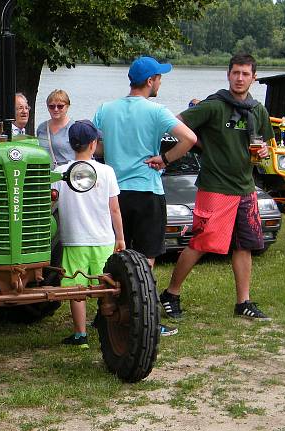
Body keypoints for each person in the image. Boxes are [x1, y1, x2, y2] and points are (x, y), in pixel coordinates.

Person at [159, 53, 275, 321]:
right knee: (201, 242)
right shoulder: (214, 106)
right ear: (228, 74)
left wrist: (264, 152)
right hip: (215, 187)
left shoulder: (258, 110)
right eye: (236, 72)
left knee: (245, 245)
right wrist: (201, 146)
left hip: (246, 187)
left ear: (254, 78)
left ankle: (243, 302)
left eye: (246, 74)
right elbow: (175, 123)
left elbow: (265, 144)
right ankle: (171, 294)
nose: (240, 78)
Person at [94, 56, 196, 336]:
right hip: (147, 191)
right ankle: (145, 317)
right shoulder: (156, 111)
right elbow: (190, 138)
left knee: (114, 253)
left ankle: (106, 312)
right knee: (146, 258)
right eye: (159, 77)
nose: (160, 82)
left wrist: (115, 150)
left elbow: (96, 144)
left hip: (114, 192)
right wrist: (165, 159)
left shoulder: (106, 109)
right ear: (150, 81)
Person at [53, 120, 125, 349]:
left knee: (77, 290)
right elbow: (114, 208)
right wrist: (120, 237)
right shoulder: (106, 171)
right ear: (94, 144)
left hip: (75, 239)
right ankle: (107, 324)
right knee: (105, 285)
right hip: (103, 238)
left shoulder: (60, 172)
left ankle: (80, 334)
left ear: (71, 144)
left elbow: (49, 204)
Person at [37, 89, 75, 166]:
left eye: (60, 106)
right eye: (52, 106)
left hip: (66, 173)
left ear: (67, 106)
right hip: (46, 173)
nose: (56, 109)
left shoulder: (74, 128)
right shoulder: (41, 128)